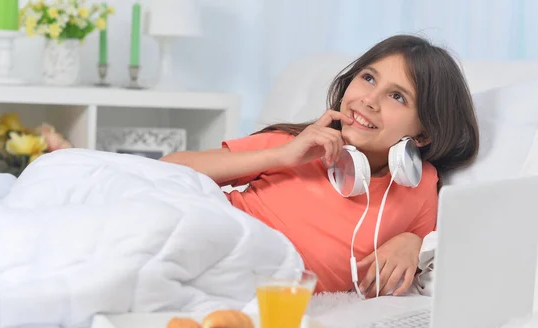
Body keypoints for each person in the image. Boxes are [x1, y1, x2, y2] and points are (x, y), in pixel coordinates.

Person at [161, 34, 479, 298]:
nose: (369, 100)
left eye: (396, 96)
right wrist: (283, 155)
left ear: (423, 134)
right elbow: (168, 170)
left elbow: (441, 249)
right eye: (368, 78)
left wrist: (413, 242)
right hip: (208, 239)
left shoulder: (419, 185)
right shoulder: (295, 144)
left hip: (253, 291)